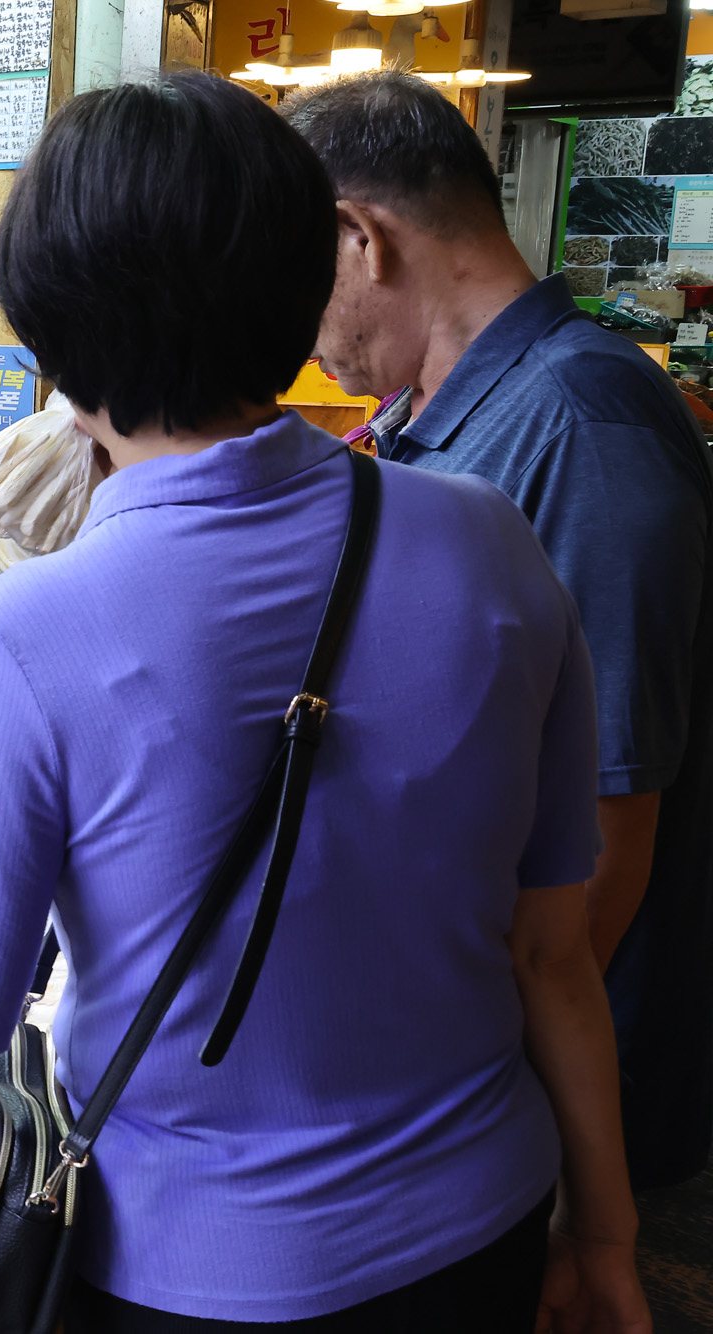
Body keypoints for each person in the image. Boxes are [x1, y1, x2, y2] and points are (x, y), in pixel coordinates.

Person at [0, 74, 648, 1332]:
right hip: (483, 1221)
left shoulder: (27, 636)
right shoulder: (489, 541)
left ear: (48, 344)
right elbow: (551, 953)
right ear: (304, 280)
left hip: (197, 1275)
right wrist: (603, 1233)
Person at [287, 73, 713, 1192]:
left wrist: (519, 1088)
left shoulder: (581, 427)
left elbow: (611, 825)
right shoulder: (437, 415)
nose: (291, 325)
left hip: (547, 1081)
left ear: (356, 238)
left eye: (292, 280)